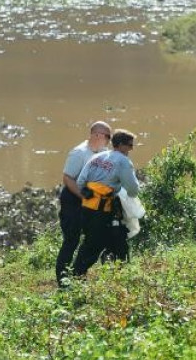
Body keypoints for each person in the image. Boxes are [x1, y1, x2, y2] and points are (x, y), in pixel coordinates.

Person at [72, 129, 140, 277]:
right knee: (95, 243)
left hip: (86, 207)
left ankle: (115, 271)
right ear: (121, 145)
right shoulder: (123, 161)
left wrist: (90, 193)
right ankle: (75, 275)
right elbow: (133, 190)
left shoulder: (97, 157)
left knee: (110, 238)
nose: (131, 148)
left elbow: (80, 181)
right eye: (130, 145)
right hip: (103, 210)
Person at [55, 120, 111, 287]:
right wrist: (82, 197)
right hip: (73, 199)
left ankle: (79, 273)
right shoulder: (79, 153)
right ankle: (64, 282)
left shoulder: (102, 151)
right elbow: (67, 178)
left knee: (94, 238)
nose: (109, 140)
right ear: (97, 135)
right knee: (71, 240)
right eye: (108, 137)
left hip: (91, 200)